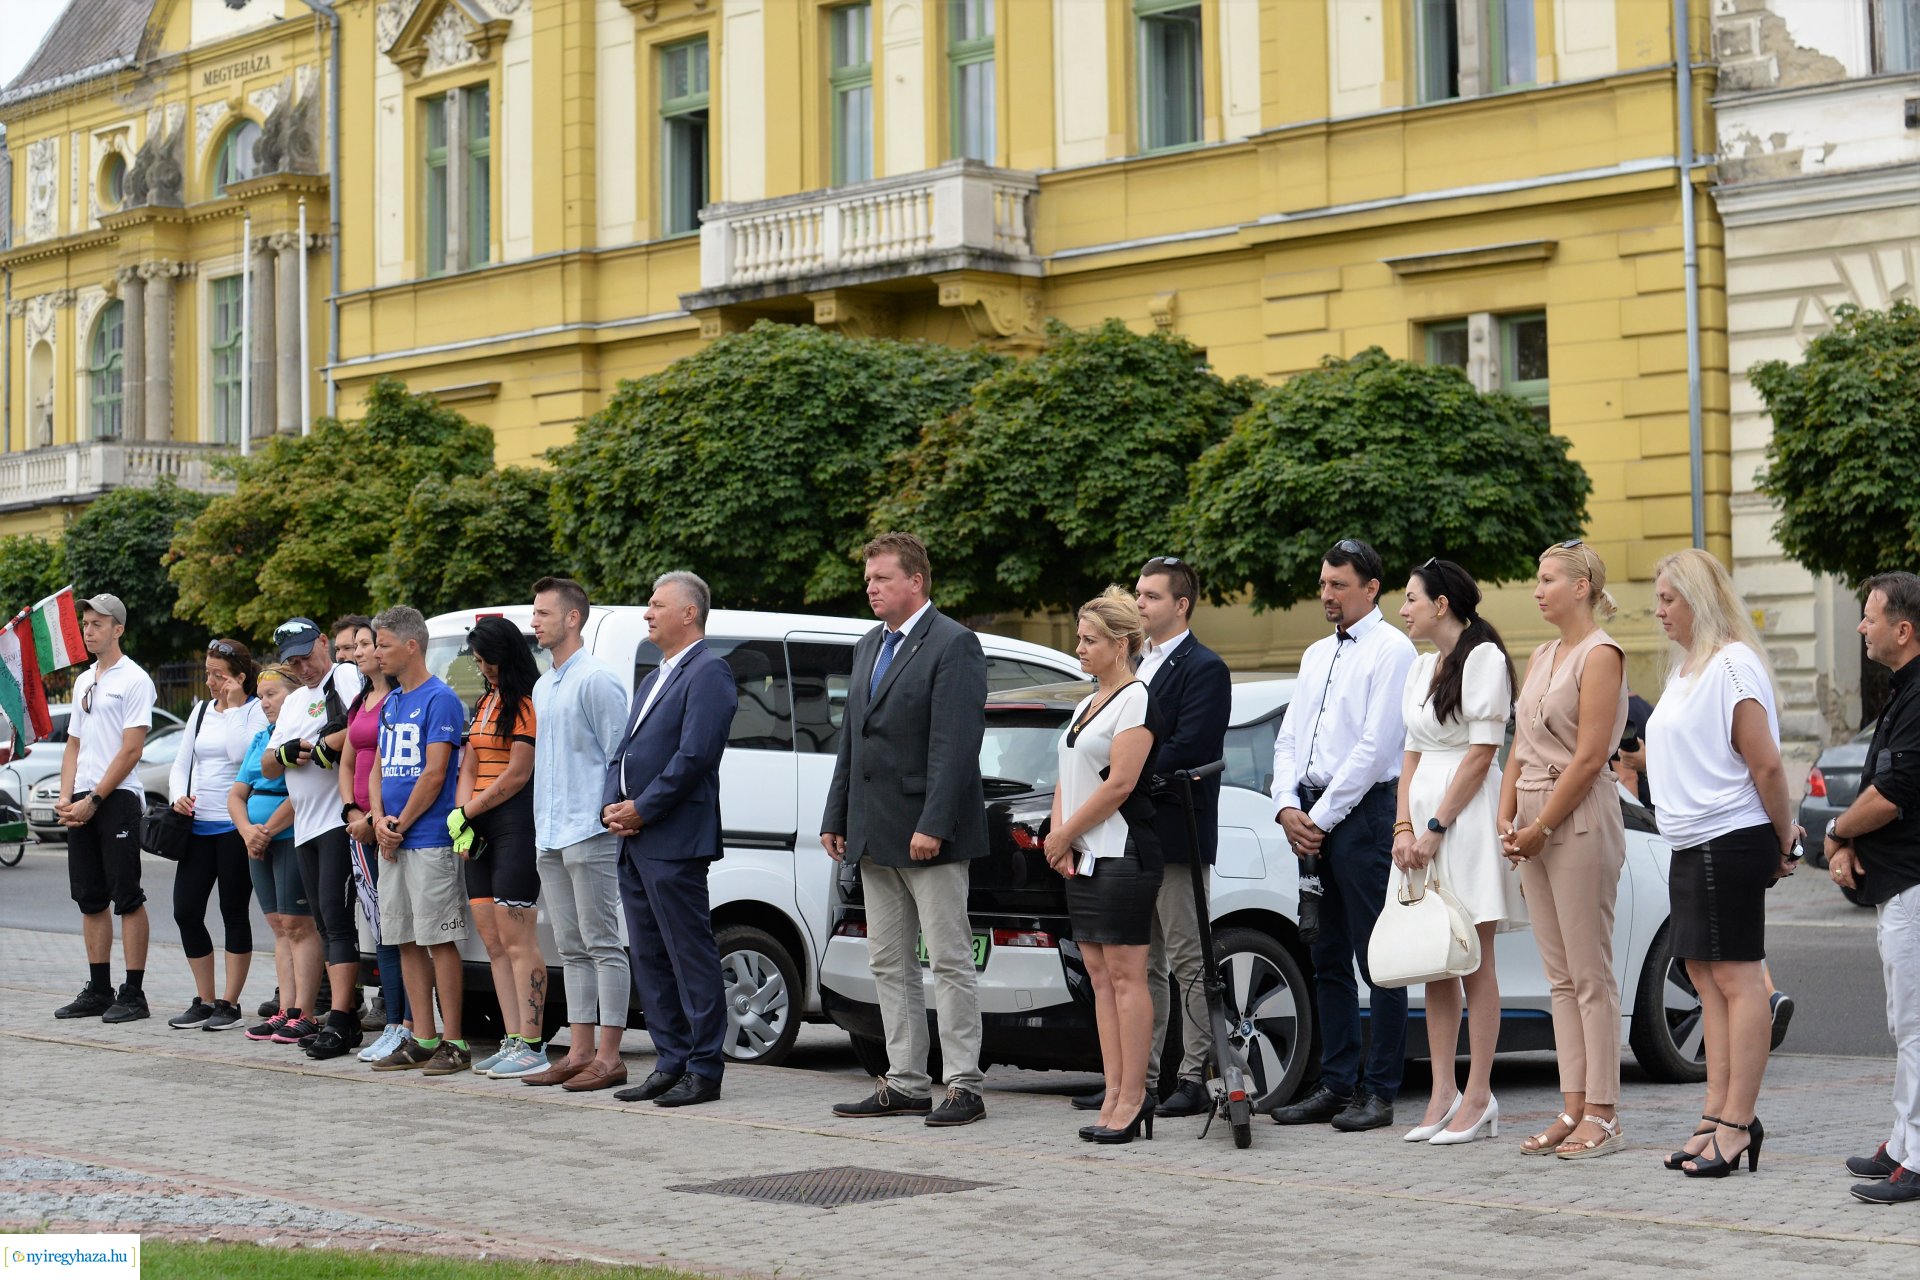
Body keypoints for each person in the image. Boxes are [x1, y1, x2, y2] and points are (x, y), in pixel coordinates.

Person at [824, 532, 990, 1127]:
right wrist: (835, 815)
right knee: (887, 962)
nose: (870, 588)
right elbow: (852, 738)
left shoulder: (954, 643)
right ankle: (906, 1080)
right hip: (874, 831)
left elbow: (955, 744)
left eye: (882, 578)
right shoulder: (870, 643)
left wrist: (934, 824)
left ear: (915, 582)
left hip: (929, 835)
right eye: (868, 579)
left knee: (948, 960)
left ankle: (964, 1084)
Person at [1644, 548, 1797, 1177]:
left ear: (1699, 601)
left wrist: (1784, 839)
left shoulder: (1732, 665)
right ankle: (1714, 1115)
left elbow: (1764, 763)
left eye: (1668, 599)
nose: (1658, 611)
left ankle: (1737, 1123)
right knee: (1705, 979)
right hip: (1689, 840)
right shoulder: (1686, 670)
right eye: (1657, 600)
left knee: (1737, 979)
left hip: (1728, 837)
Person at [1267, 540, 1416, 1132]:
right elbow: (1287, 740)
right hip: (1311, 813)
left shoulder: (1394, 650)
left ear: (1371, 587)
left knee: (1376, 957)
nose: (1326, 594)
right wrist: (1285, 806)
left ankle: (1379, 1090)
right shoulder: (1312, 655)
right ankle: (1335, 1082)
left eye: (1338, 585)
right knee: (1324, 952)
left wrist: (1319, 819)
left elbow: (1376, 747)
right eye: (1323, 583)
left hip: (1363, 816)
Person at [1500, 540, 1630, 1159]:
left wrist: (1541, 825)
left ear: (1581, 587)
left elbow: (1589, 757)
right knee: (1558, 978)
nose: (1537, 589)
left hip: (1574, 818)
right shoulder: (1543, 654)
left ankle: (1603, 1111)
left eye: (1548, 578)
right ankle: (1572, 1104)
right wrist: (1507, 813)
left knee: (1589, 974)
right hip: (1532, 817)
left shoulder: (1601, 654)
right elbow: (1520, 743)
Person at [1091, 557, 1230, 1121]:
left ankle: (1193, 1075)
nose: (1141, 604)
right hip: (1124, 836)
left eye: (1151, 596)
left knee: (1187, 959)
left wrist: (1124, 782)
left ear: (1182, 605)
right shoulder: (1131, 665)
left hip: (1175, 831)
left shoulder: (1204, 667)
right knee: (1137, 963)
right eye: (1139, 595)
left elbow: (1189, 746)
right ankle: (1134, 1083)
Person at [1391, 559, 1524, 1146]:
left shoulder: (1484, 659)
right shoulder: (1422, 667)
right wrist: (1402, 825)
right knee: (1434, 959)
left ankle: (1479, 1093)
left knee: (1475, 959)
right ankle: (1442, 1090)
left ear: (1441, 603)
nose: (1403, 609)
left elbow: (1480, 753)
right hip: (1423, 821)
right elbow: (1411, 753)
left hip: (1463, 822)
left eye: (1412, 598)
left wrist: (1438, 826)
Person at [601, 572, 738, 1108]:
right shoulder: (654, 674)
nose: (647, 613)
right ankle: (670, 1060)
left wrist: (643, 808)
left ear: (689, 613)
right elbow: (626, 750)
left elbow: (696, 756)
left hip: (674, 838)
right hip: (635, 838)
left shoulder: (710, 671)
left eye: (657, 604)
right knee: (651, 956)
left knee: (689, 954)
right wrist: (612, 802)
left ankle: (704, 1068)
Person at [1045, 589, 1162, 1144]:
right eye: (1080, 638)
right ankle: (1112, 1092)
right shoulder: (1086, 703)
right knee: (1098, 977)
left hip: (1123, 855)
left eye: (1090, 640)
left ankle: (1135, 1097)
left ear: (1121, 645)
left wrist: (1066, 832)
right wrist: (1057, 834)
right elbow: (1068, 774)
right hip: (1085, 858)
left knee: (1125, 976)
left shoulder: (1136, 699)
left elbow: (1120, 784)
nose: (1080, 648)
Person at [1828, 572, 1920, 1206]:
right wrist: (1842, 843)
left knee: (1915, 1027)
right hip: (1897, 885)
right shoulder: (1903, 692)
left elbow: (1893, 794)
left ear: (1904, 629)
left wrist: (1836, 829)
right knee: (1902, 1022)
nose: (1862, 626)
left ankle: (1917, 1157)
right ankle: (1901, 1143)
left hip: (1914, 884)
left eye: (1870, 616)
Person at [522, 577, 634, 1093]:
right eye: (535, 612)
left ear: (572, 618)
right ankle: (581, 1049)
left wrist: (610, 813)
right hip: (551, 830)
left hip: (590, 828)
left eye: (544, 613)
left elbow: (620, 755)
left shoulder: (597, 679)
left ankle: (610, 1055)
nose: (535, 621)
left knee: (603, 942)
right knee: (570, 947)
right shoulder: (545, 685)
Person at [367, 605, 472, 1076]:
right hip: (393, 837)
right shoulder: (391, 701)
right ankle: (423, 1035)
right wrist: (378, 821)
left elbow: (434, 774)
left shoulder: (440, 699)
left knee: (438, 939)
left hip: (427, 838)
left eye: (383, 644)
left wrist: (401, 823)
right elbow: (377, 767)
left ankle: (455, 1040)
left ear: (411, 645)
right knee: (404, 937)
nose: (376, 653)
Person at [261, 617, 365, 1056]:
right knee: (323, 922)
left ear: (324, 642)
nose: (302, 667)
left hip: (336, 823)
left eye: (306, 655)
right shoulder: (294, 701)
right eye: (293, 662)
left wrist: (328, 743)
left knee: (337, 923)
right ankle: (338, 1014)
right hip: (305, 826)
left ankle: (342, 1019)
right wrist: (285, 752)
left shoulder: (342, 675)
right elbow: (268, 764)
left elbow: (362, 725)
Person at [53, 593, 157, 1025]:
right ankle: (99, 988)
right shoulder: (83, 681)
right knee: (89, 898)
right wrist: (67, 797)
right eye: (86, 623)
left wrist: (95, 799)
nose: (88, 630)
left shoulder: (134, 679)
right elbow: (73, 744)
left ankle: (134, 993)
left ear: (118, 628)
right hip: (83, 799)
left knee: (126, 897)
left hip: (116, 799)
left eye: (98, 623)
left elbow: (132, 750)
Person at [458, 617, 549, 1080]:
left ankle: (533, 1042)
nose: (484, 669)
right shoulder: (484, 701)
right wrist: (461, 819)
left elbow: (517, 774)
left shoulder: (529, 702)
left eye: (487, 660)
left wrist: (470, 811)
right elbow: (469, 763)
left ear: (507, 654)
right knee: (493, 941)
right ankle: (512, 1038)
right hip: (478, 827)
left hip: (514, 823)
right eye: (477, 662)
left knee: (518, 940)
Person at [165, 639, 269, 1030]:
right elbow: (181, 763)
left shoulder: (255, 711)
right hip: (198, 825)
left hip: (234, 827)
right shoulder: (201, 711)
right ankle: (204, 998)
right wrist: (178, 796)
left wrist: (236, 706)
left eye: (218, 675)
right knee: (185, 910)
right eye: (208, 672)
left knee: (233, 912)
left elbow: (241, 756)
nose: (210, 681)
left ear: (241, 677)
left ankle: (229, 1002)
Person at [337, 618, 413, 1064]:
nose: (361, 652)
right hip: (359, 827)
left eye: (367, 644)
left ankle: (408, 1021)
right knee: (382, 927)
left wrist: (375, 817)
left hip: (389, 823)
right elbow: (349, 762)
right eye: (359, 646)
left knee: (402, 926)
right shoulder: (361, 702)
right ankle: (391, 1023)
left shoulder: (401, 699)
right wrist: (352, 811)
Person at [231, 666, 317, 1040]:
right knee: (279, 927)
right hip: (256, 839)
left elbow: (306, 791)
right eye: (261, 696)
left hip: (288, 834)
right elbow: (237, 793)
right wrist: (248, 831)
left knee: (298, 924)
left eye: (272, 695)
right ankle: (286, 1008)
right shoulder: (261, 739)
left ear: (294, 696)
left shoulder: (302, 736)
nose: (264, 702)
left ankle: (306, 1012)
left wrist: (266, 831)